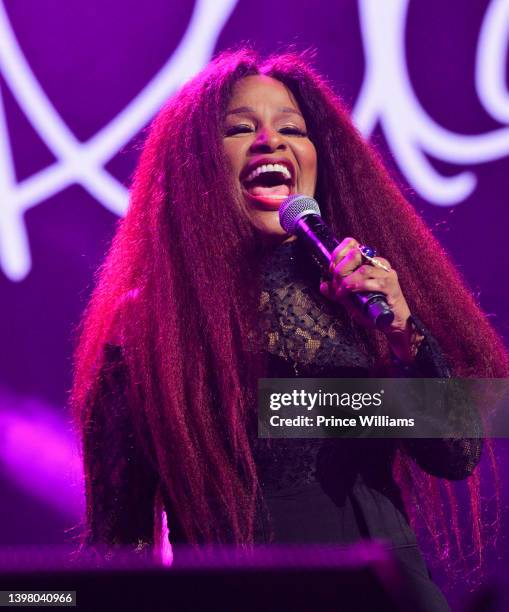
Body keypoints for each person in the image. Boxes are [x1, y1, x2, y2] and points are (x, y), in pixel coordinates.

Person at [70, 48, 509, 610]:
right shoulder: (148, 330)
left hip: (385, 593)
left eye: (291, 129)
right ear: (196, 167)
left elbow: (456, 454)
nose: (269, 141)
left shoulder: (360, 298)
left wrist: (403, 332)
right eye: (239, 129)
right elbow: (118, 548)